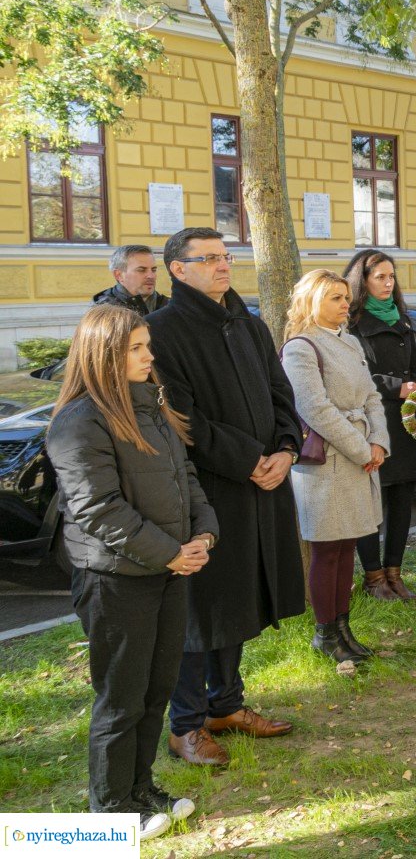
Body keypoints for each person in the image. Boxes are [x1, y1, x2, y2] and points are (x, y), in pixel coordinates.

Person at [47, 305, 218, 840]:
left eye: (148, 346)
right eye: (136, 349)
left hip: (167, 570)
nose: (150, 356)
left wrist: (204, 534)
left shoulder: (150, 405)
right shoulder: (79, 421)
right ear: (103, 355)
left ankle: (141, 791)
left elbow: (185, 476)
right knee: (121, 697)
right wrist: (170, 552)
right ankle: (110, 809)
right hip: (116, 579)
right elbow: (98, 509)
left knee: (154, 690)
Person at [147, 227, 303, 769]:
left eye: (225, 256)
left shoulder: (250, 323)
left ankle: (226, 704)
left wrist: (285, 447)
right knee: (200, 607)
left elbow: (282, 393)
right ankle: (185, 725)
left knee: (239, 598)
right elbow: (183, 419)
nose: (222, 266)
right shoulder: (161, 332)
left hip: (263, 485)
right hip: (206, 490)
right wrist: (248, 460)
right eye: (208, 258)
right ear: (178, 269)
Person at [280, 270, 388, 666]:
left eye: (345, 297)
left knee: (348, 548)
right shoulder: (302, 348)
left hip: (360, 452)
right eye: (335, 298)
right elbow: (314, 409)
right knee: (327, 549)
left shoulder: (351, 340)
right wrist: (362, 449)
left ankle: (344, 628)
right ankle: (325, 632)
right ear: (312, 302)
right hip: (326, 462)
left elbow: (373, 395)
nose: (346, 304)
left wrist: (379, 441)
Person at [344, 249, 416, 602]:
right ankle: (373, 577)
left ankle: (395, 573)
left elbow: (415, 364)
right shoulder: (351, 322)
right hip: (371, 424)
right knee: (370, 503)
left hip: (406, 424)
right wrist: (398, 387)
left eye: (391, 276)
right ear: (362, 281)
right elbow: (354, 376)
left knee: (401, 501)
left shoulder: (404, 319)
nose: (387, 282)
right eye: (379, 276)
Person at [93, 245, 168, 316]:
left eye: (153, 270)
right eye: (141, 270)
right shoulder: (103, 312)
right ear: (119, 275)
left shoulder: (170, 307)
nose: (151, 276)